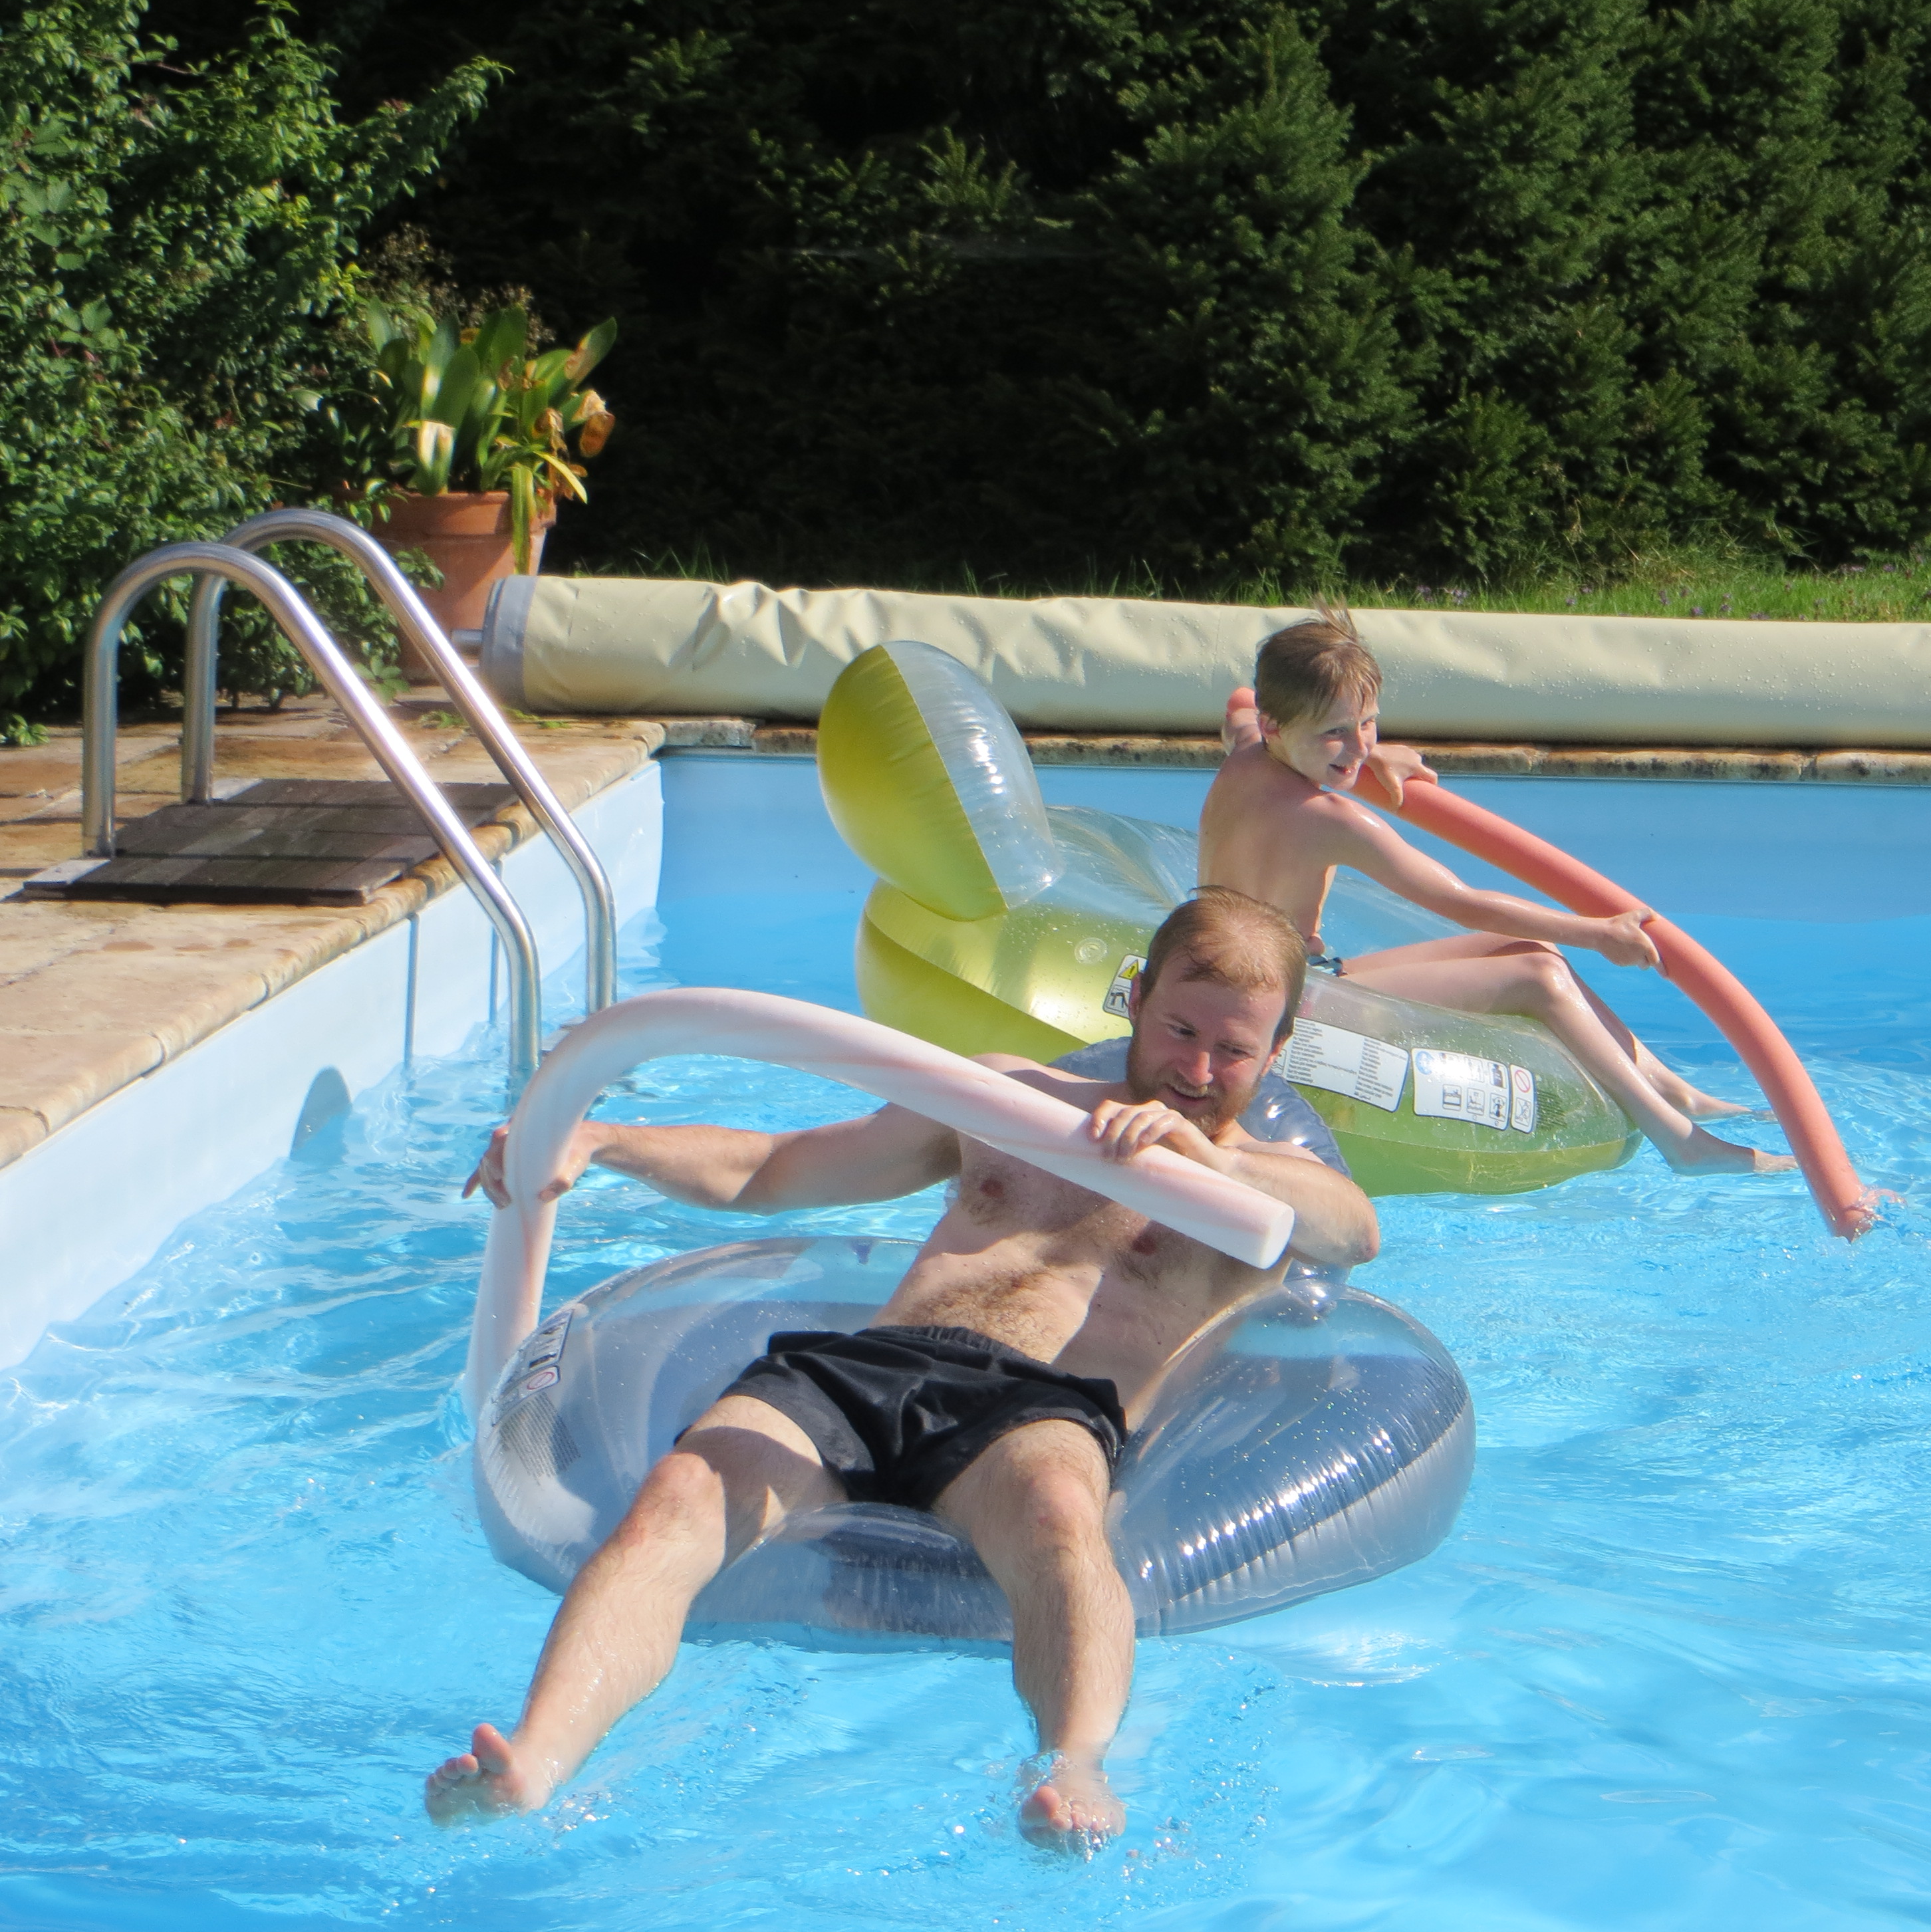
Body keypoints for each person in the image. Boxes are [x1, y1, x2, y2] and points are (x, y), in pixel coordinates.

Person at [427, 890, 1376, 1852]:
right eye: (1180, 1031)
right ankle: (535, 1760)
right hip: (873, 1367)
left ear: (1277, 1049)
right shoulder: (1009, 1100)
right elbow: (777, 1166)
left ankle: (1075, 1769)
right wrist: (599, 1141)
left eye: (1234, 1049)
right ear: (1135, 1001)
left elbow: (1356, 1232)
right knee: (682, 1491)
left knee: (1059, 1519)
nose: (1199, 1070)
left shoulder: (1264, 1193)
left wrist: (1214, 1163)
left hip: (1047, 1407)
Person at [1200, 606, 1790, 1175]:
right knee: (1539, 976)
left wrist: (1362, 747)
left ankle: (1668, 1087)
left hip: (1263, 975)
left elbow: (1238, 703)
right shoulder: (1329, 821)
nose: (1357, 747)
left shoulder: (1249, 747)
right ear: (1278, 726)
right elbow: (1461, 902)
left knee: (1533, 950)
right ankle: (1683, 1144)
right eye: (1335, 733)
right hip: (1291, 1007)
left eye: (1368, 722)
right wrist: (1596, 933)